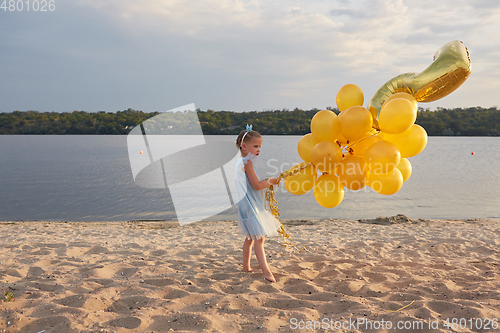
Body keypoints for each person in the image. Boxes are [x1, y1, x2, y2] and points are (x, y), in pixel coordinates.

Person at [234, 124, 281, 283]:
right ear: (244, 146)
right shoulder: (247, 163)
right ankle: (266, 271)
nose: (259, 149)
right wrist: (271, 181)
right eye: (256, 146)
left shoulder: (239, 162)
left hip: (245, 204)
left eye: (260, 146)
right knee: (259, 238)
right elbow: (257, 185)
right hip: (251, 205)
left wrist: (266, 181)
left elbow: (251, 183)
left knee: (250, 238)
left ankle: (246, 267)